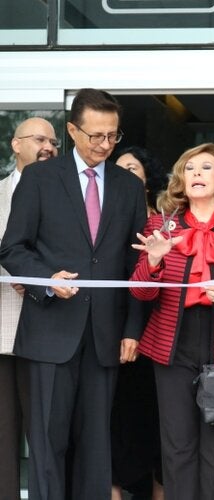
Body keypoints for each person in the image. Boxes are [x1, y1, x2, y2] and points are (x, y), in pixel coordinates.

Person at [0, 88, 148, 500]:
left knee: (97, 449)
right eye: (95, 135)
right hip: (49, 333)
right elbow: (12, 248)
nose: (104, 145)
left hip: (106, 337)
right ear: (72, 130)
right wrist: (47, 279)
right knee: (48, 445)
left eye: (112, 136)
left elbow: (135, 266)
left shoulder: (128, 187)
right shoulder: (40, 179)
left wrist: (133, 329)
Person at [129, 142, 214, 500]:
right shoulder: (159, 226)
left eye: (205, 168)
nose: (196, 174)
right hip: (172, 344)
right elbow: (141, 294)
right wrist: (155, 261)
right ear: (180, 181)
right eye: (189, 169)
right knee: (177, 444)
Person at [0, 117, 58, 500]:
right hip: (4, 330)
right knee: (4, 435)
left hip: (52, 331)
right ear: (15, 145)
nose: (48, 147)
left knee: (48, 436)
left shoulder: (63, 194)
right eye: (39, 139)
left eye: (53, 142)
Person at [111, 146, 167, 500]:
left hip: (160, 330)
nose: (124, 175)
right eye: (118, 169)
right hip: (117, 333)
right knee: (119, 420)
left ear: (147, 182)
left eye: (132, 169)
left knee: (157, 421)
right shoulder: (108, 218)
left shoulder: (164, 221)